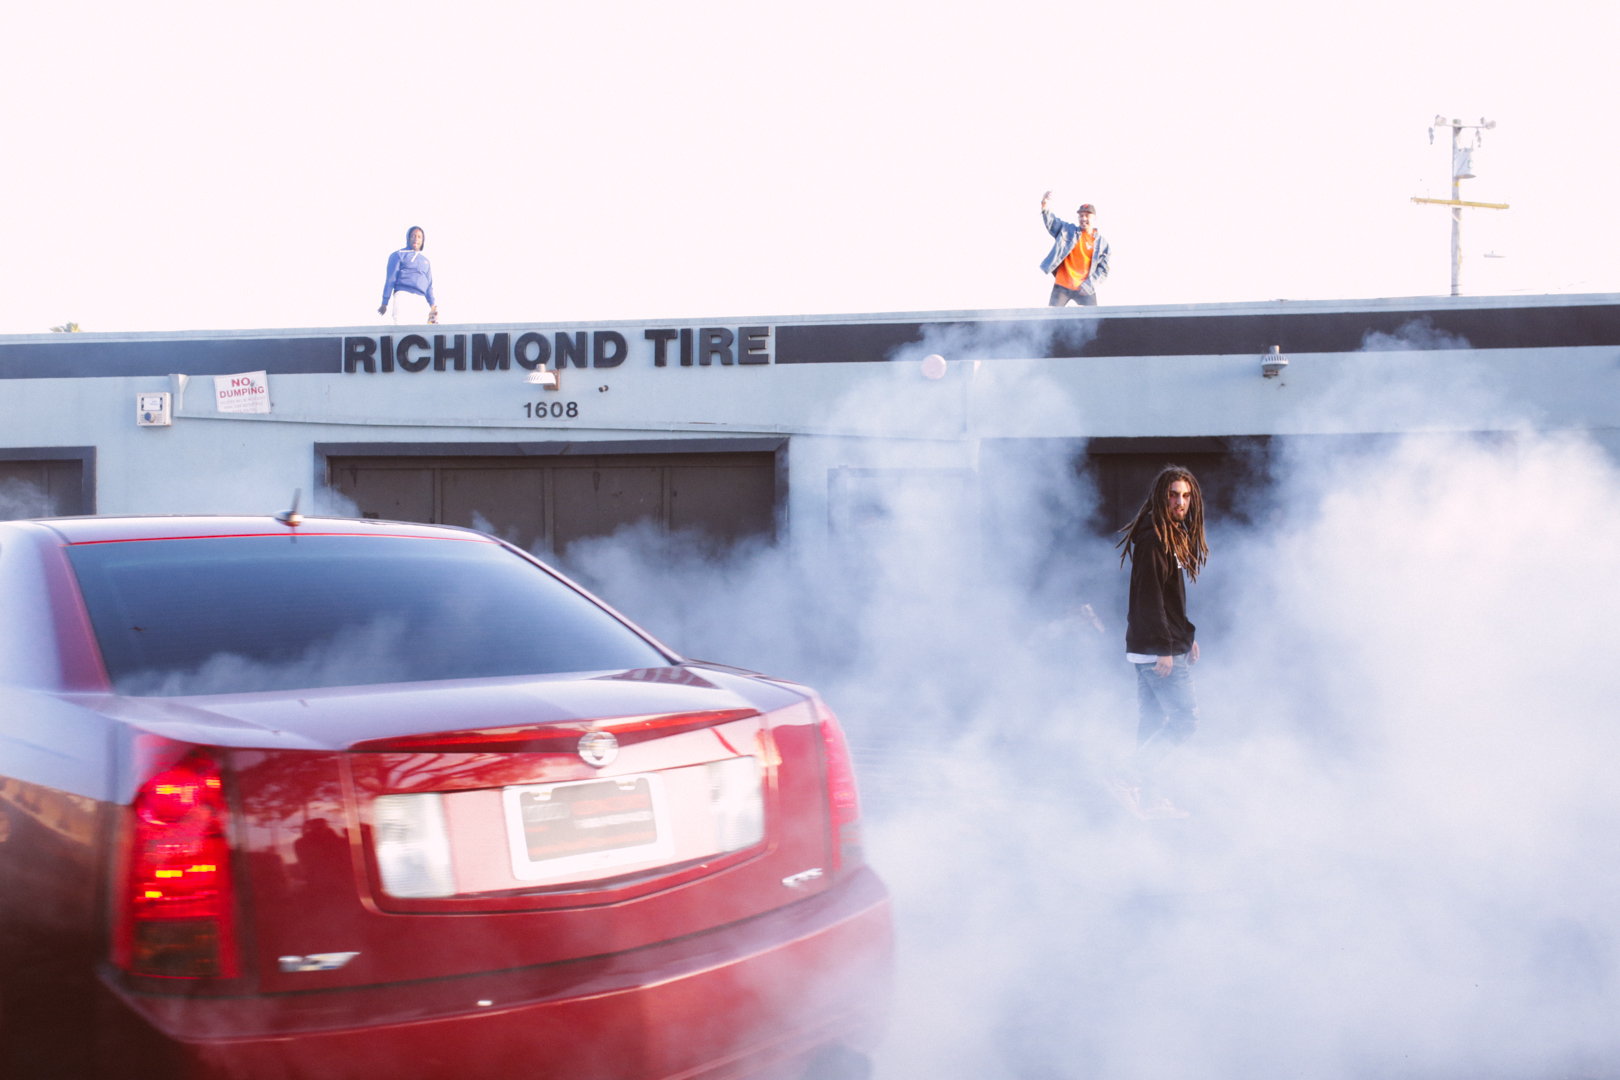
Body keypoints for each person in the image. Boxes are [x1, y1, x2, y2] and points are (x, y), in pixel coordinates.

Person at [1110, 466, 1209, 819]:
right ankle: (1125, 776)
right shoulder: (1155, 537)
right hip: (1155, 649)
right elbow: (1150, 599)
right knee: (1185, 720)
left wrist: (1186, 636)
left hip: (1155, 644)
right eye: (1172, 495)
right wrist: (1165, 648)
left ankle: (1148, 799)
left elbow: (1170, 598)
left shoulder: (1171, 534)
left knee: (1152, 722)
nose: (1179, 502)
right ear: (1160, 496)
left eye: (1184, 495)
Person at [1039, 193, 1110, 307]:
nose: (1084, 218)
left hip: (1084, 287)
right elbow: (1052, 223)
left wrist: (1089, 286)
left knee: (1094, 319)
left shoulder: (1102, 244)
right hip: (1062, 285)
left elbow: (1103, 270)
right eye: (1081, 215)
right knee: (1051, 318)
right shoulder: (1068, 231)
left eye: (1087, 216)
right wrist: (1045, 205)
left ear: (1094, 218)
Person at [378, 226, 438, 324]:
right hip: (403, 295)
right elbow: (391, 279)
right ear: (408, 238)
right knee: (401, 327)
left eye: (419, 237)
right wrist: (385, 303)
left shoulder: (425, 261)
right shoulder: (398, 255)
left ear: (423, 240)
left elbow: (429, 286)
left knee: (418, 332)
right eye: (413, 236)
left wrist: (433, 305)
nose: (416, 239)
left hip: (420, 299)